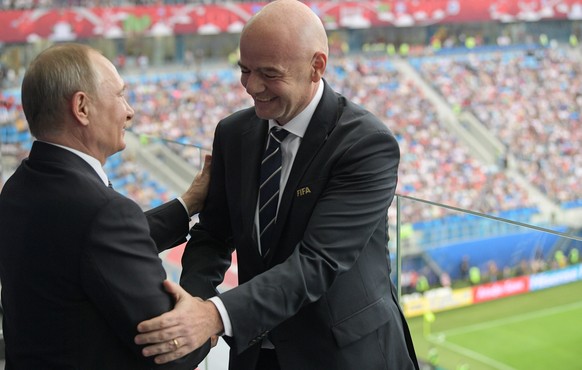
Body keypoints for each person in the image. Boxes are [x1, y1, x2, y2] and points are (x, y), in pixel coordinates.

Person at [135, 1, 419, 369]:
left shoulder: (365, 143)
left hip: (343, 355)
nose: (252, 87)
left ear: (316, 67)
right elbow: (214, 234)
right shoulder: (233, 132)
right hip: (256, 354)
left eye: (269, 73)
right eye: (245, 70)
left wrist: (214, 316)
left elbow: (317, 262)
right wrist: (191, 301)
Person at [0, 43, 213, 369]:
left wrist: (188, 204)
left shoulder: (18, 187)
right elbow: (175, 350)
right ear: (82, 107)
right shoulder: (101, 211)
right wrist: (209, 316)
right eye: (120, 96)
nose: (129, 111)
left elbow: (89, 246)